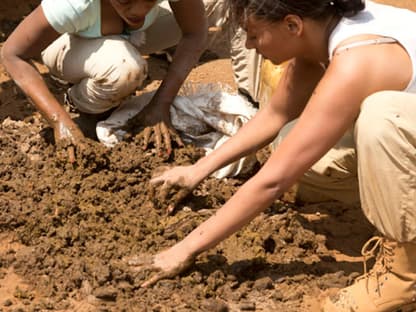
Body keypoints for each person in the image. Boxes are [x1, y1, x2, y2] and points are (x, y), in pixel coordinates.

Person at [125, 0, 416, 311]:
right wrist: (198, 170)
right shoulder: (322, 29)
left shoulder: (356, 61)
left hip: (398, 124)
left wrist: (185, 249)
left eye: (254, 35)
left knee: (382, 117)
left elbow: (272, 180)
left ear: (292, 26)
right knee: (303, 160)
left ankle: (404, 276)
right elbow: (274, 116)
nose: (249, 45)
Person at [1, 0, 208, 159]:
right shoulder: (74, 4)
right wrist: (60, 121)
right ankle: (82, 105)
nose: (138, 11)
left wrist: (161, 104)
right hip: (67, 42)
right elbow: (12, 54)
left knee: (216, 4)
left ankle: (244, 92)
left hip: (133, 35)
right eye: (125, 0)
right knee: (124, 69)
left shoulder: (135, 9)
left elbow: (195, 33)